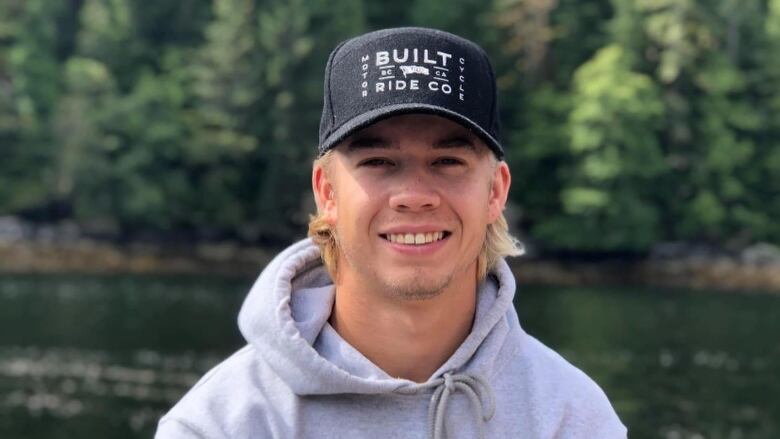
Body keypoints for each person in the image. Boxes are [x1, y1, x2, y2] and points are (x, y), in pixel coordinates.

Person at [155, 27, 627, 439]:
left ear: (495, 191)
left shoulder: (572, 418)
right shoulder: (220, 425)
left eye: (448, 162)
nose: (415, 195)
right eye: (378, 163)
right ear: (327, 192)